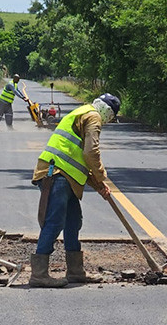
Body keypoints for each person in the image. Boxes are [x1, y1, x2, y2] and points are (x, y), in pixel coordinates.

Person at [29, 93, 121, 288]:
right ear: (109, 113)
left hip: (66, 176)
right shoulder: (93, 117)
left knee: (73, 221)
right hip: (56, 174)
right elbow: (90, 152)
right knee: (55, 222)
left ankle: (75, 272)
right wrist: (102, 176)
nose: (109, 122)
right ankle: (39, 274)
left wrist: (99, 186)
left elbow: (80, 161)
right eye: (112, 118)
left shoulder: (83, 113)